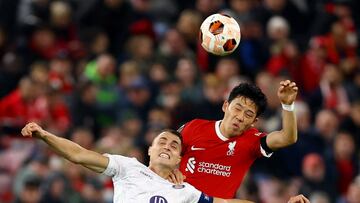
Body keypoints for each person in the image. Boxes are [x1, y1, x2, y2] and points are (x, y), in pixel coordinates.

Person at [21, 122, 255, 203]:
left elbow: (225, 202)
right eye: (162, 142)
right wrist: (45, 135)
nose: (167, 147)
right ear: (150, 150)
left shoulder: (187, 192)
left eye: (174, 146)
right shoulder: (128, 167)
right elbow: (78, 155)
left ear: (179, 160)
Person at [178, 80, 299, 198]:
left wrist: (288, 105)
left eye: (248, 114)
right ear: (225, 106)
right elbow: (164, 149)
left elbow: (287, 138)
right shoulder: (194, 127)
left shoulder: (252, 141)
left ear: (254, 122)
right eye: (237, 108)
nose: (240, 117)